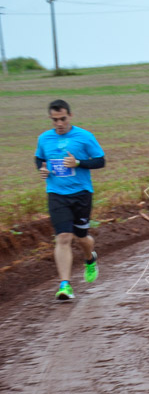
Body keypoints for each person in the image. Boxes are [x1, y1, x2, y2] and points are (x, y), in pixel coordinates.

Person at [35, 99, 105, 301]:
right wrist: (42, 168)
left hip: (81, 193)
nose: (59, 123)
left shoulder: (84, 137)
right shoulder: (44, 138)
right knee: (63, 237)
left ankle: (89, 258)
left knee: (82, 238)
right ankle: (65, 285)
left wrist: (79, 162)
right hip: (56, 194)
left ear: (70, 116)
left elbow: (100, 160)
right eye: (54, 120)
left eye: (62, 119)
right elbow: (39, 158)